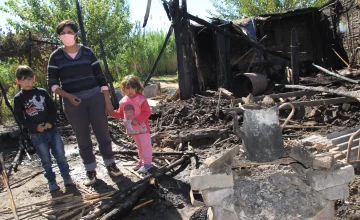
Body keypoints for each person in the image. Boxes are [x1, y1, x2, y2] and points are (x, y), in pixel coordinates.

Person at [47, 19, 122, 186]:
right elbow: (51, 83)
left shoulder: (87, 52)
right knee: (83, 138)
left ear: (76, 34)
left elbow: (101, 78)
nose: (66, 35)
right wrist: (67, 96)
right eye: (62, 33)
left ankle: (111, 164)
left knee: (103, 134)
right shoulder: (56, 57)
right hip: (73, 103)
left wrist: (107, 101)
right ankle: (90, 169)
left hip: (95, 98)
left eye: (69, 32)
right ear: (59, 36)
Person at [13, 65, 73, 192]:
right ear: (18, 81)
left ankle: (67, 177)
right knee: (45, 159)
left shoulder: (41, 92)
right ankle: (51, 181)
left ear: (34, 78)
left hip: (52, 130)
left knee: (60, 155)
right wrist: (34, 127)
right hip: (36, 134)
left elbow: (52, 108)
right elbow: (20, 118)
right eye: (23, 80)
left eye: (29, 79)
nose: (27, 82)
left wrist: (50, 122)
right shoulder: (18, 98)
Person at [112, 75, 153, 173]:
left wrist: (138, 119)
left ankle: (147, 163)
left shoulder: (141, 99)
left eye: (132, 88)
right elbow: (121, 114)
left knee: (145, 145)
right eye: (127, 88)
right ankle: (142, 161)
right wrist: (111, 112)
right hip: (132, 129)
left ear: (137, 88)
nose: (130, 91)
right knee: (139, 146)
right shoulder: (123, 101)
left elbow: (147, 112)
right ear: (123, 89)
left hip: (142, 128)